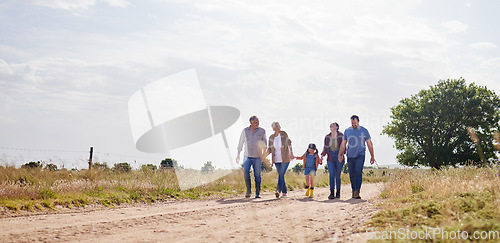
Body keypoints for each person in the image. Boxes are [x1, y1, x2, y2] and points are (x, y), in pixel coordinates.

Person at [338, 115, 376, 199]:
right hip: (350, 155)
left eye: (355, 123)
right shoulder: (347, 131)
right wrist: (340, 154)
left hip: (360, 154)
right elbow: (343, 143)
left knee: (358, 172)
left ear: (358, 121)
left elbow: (369, 144)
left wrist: (372, 156)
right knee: (351, 173)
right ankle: (353, 190)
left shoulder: (364, 131)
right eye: (352, 123)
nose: (353, 124)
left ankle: (357, 191)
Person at [236, 115, 267, 198]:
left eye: (258, 122)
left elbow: (264, 144)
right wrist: (238, 155)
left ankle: (257, 193)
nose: (258, 124)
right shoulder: (245, 131)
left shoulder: (262, 131)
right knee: (246, 171)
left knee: (257, 174)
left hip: (257, 157)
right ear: (251, 122)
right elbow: (240, 143)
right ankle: (248, 191)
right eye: (256, 122)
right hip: (247, 156)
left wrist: (264, 155)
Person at [263, 122, 294, 198]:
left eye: (279, 125)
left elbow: (289, 142)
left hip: (285, 158)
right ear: (273, 128)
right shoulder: (271, 137)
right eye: (277, 126)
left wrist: (291, 153)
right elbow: (270, 149)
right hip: (276, 159)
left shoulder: (283, 134)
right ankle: (284, 192)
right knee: (281, 175)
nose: (279, 127)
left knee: (281, 174)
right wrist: (264, 156)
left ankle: (278, 190)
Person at [321, 122, 345, 199]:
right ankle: (331, 193)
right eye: (331, 125)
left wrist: (341, 154)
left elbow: (344, 146)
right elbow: (325, 147)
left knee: (337, 176)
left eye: (333, 125)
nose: (331, 126)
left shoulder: (341, 135)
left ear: (337, 127)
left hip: (339, 155)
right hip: (330, 157)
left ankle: (338, 192)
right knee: (331, 175)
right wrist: (322, 155)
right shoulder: (327, 137)